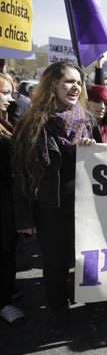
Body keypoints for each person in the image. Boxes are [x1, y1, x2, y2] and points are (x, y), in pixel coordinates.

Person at [10, 62, 104, 346]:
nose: (75, 87)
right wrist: (24, 219)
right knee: (55, 265)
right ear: (52, 84)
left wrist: (93, 150)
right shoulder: (32, 123)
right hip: (51, 208)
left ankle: (92, 309)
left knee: (88, 260)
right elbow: (21, 175)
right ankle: (59, 313)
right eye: (67, 82)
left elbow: (105, 162)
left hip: (86, 206)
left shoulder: (86, 119)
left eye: (78, 82)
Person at [0, 73, 25, 325]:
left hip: (8, 201)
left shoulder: (5, 123)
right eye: (5, 93)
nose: (11, 99)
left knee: (7, 252)